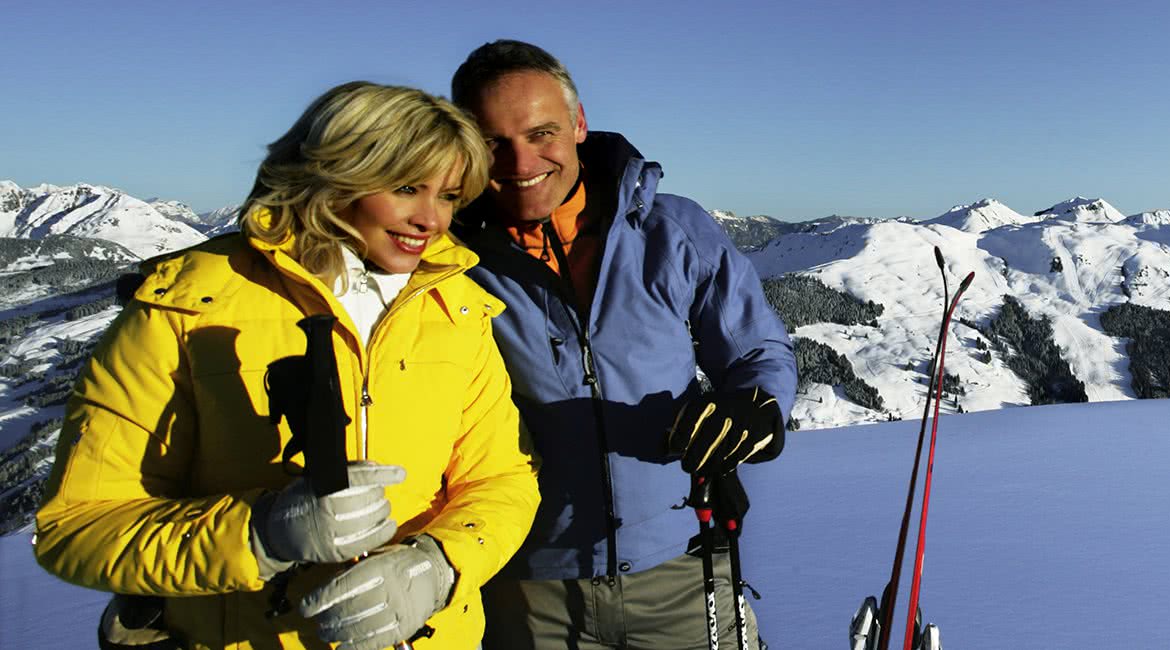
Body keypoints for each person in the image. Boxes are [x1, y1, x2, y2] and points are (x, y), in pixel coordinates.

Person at [33, 81, 540, 650]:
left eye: (448, 196)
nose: (432, 220)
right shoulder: (187, 306)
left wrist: (439, 564)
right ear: (335, 173)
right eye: (405, 188)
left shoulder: (455, 308)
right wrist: (259, 536)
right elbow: (76, 527)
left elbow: (501, 479)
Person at [446, 40, 797, 649]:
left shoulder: (671, 232)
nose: (519, 160)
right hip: (524, 589)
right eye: (492, 142)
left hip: (683, 570)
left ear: (579, 124)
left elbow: (754, 351)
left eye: (541, 133)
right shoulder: (446, 261)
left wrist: (758, 409)